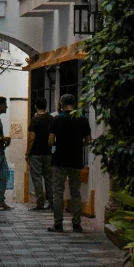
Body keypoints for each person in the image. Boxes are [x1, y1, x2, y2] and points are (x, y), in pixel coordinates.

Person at [48, 93, 92, 233]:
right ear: (74, 103)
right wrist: (79, 144)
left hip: (60, 160)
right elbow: (88, 140)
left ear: (61, 104)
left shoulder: (57, 119)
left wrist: (57, 144)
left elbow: (50, 140)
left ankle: (58, 224)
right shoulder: (82, 119)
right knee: (76, 192)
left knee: (58, 192)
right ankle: (77, 224)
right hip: (76, 160)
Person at [25, 96, 53, 211]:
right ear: (45, 106)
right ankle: (51, 202)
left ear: (35, 106)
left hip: (36, 153)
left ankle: (40, 203)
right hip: (48, 152)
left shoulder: (35, 119)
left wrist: (27, 153)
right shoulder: (51, 118)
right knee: (49, 178)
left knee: (37, 178)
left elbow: (31, 137)